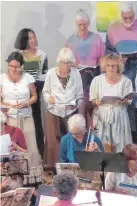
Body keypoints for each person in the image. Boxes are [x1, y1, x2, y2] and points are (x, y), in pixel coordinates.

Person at [105, 2, 137, 143]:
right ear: (121, 15)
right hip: (120, 76)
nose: (128, 20)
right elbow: (108, 53)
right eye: (125, 17)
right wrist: (117, 58)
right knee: (123, 109)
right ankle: (124, 144)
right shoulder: (113, 29)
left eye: (130, 17)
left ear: (135, 15)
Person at [0, 52, 42, 186]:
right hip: (10, 118)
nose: (13, 69)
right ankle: (14, 177)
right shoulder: (2, 79)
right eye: (11, 66)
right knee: (12, 147)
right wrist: (5, 106)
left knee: (30, 146)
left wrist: (27, 103)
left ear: (21, 66)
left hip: (26, 116)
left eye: (16, 66)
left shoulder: (28, 77)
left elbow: (34, 96)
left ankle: (32, 179)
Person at [42, 48, 84, 167]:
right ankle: (54, 167)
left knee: (71, 140)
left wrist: (75, 104)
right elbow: (45, 92)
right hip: (54, 112)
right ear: (59, 61)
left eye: (68, 63)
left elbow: (80, 95)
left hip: (71, 112)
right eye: (63, 62)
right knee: (53, 142)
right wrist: (49, 98)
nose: (65, 65)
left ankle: (72, 166)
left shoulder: (76, 73)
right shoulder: (51, 73)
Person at [66, 9, 104, 127]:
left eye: (85, 24)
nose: (82, 27)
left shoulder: (97, 38)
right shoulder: (71, 40)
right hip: (77, 78)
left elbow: (102, 59)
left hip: (94, 76)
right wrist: (72, 64)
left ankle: (95, 134)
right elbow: (66, 60)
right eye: (80, 25)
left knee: (95, 108)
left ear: (89, 24)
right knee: (80, 109)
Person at [89, 53, 133, 153]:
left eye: (113, 65)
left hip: (119, 116)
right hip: (102, 116)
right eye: (108, 65)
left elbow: (129, 100)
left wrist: (123, 100)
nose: (110, 68)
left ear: (118, 66)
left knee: (120, 146)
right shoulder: (97, 80)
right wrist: (96, 101)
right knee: (103, 145)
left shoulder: (126, 81)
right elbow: (92, 101)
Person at [15, 28, 48, 156]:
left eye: (34, 37)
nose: (33, 40)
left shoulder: (42, 55)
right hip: (22, 92)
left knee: (37, 122)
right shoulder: (19, 55)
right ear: (24, 40)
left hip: (37, 90)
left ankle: (40, 153)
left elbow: (44, 75)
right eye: (30, 38)